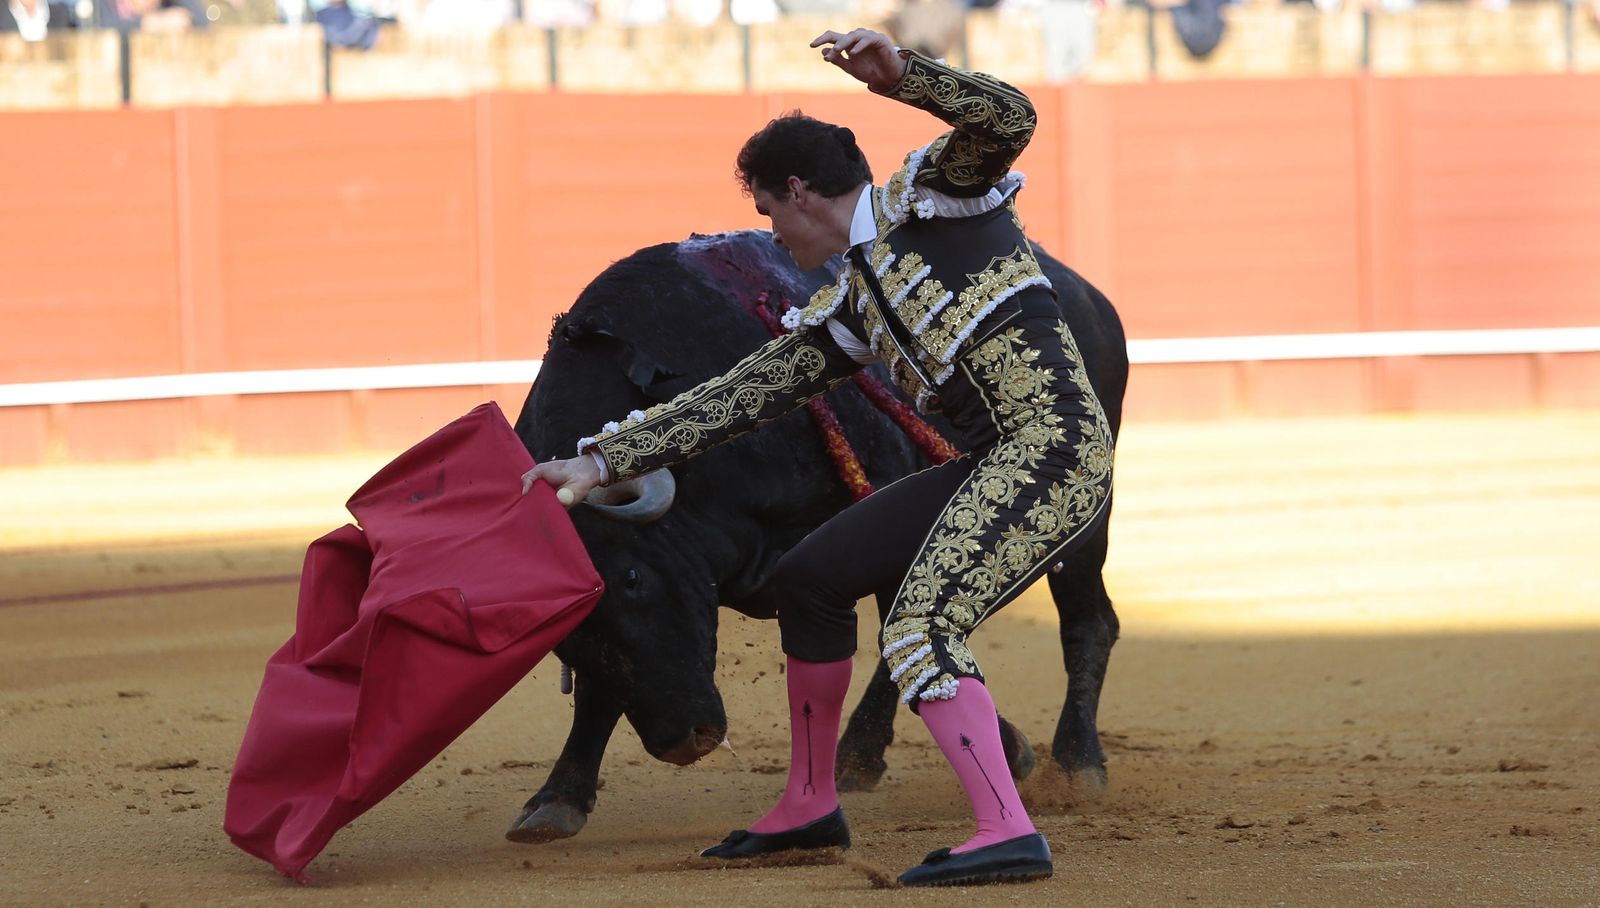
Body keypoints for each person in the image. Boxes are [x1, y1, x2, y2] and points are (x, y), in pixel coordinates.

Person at [523, 26, 1113, 888]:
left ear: (797, 192)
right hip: (985, 460)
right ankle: (809, 803)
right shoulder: (857, 297)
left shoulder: (931, 196)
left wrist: (906, 77)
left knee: (917, 625)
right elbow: (747, 392)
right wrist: (604, 461)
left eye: (767, 211)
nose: (770, 235)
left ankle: (1006, 829)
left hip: (1053, 451)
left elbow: (1009, 117)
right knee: (811, 578)